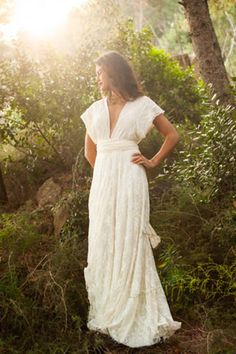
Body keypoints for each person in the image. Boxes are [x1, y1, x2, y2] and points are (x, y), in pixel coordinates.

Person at [80, 50, 182, 348]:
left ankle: (135, 309)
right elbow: (90, 152)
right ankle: (110, 306)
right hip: (104, 183)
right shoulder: (94, 110)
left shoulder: (142, 105)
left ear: (113, 72)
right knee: (104, 237)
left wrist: (152, 161)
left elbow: (172, 135)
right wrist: (106, 176)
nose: (97, 77)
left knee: (130, 237)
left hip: (130, 178)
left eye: (100, 71)